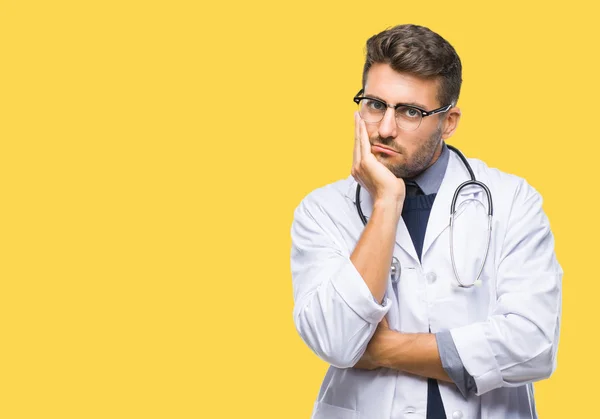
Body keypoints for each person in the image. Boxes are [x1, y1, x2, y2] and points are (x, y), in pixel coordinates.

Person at [290, 24, 562, 419]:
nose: (385, 128)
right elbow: (335, 341)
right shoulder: (321, 211)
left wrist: (383, 348)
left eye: (410, 112)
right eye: (374, 104)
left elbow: (533, 346)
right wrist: (386, 202)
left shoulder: (512, 200)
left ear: (449, 122)